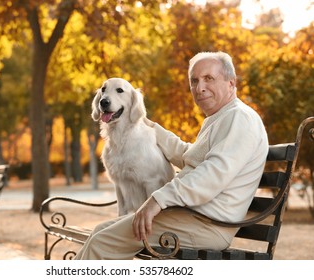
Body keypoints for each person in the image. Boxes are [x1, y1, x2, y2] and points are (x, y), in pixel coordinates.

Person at [74, 51, 269, 260]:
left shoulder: (239, 118)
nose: (199, 87)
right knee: (99, 232)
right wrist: (151, 128)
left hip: (207, 225)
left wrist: (157, 200)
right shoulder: (220, 118)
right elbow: (190, 157)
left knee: (101, 243)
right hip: (190, 217)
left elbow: (210, 177)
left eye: (209, 79)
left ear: (231, 83)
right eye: (194, 81)